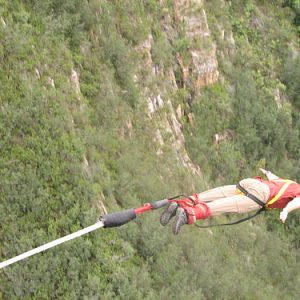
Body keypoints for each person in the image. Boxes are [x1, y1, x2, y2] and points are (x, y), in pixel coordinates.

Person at [160, 169, 300, 234]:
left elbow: (274, 177)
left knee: (218, 194)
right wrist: (286, 211)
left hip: (252, 183)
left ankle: (179, 205)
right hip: (261, 195)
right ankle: (186, 214)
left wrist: (267, 172)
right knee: (223, 206)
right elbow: (296, 202)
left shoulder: (292, 184)